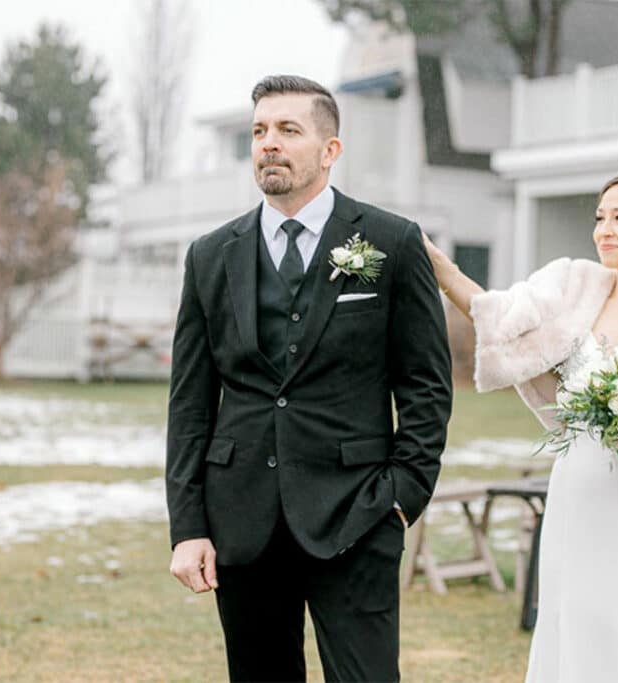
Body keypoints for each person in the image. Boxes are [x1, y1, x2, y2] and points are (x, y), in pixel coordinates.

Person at [166, 74, 453, 683]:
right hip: (241, 519)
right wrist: (189, 526)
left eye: (288, 130)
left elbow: (426, 384)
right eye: (260, 132)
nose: (269, 144)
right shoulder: (210, 254)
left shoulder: (392, 242)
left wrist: (402, 496)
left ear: (330, 150)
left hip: (359, 512)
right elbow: (190, 403)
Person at [424, 168, 618, 682]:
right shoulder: (573, 286)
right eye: (599, 218)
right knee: (569, 618)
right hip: (575, 489)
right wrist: (442, 269)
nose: (603, 230)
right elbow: (499, 317)